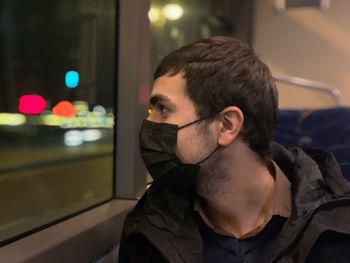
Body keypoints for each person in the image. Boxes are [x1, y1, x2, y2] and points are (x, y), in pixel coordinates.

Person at [119, 36, 350, 263]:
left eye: (163, 109)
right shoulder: (149, 227)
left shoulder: (337, 229)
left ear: (227, 125)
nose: (151, 125)